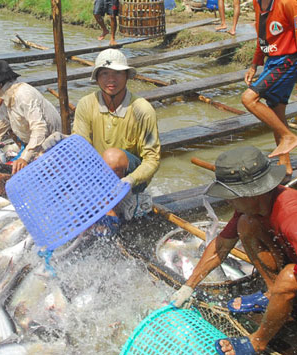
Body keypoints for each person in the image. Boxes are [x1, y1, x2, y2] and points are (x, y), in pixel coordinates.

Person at [171, 146, 297, 355]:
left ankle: (258, 342)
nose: (227, 201)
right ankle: (272, 293)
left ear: (253, 193)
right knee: (246, 224)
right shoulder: (251, 207)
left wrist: (287, 286)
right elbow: (221, 246)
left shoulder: (291, 216)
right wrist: (188, 286)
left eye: (231, 195)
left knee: (288, 277)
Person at [43, 48, 160, 230]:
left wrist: (132, 180)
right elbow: (80, 145)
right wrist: (63, 142)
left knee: (112, 156)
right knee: (55, 158)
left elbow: (152, 159)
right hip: (99, 175)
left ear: (127, 76)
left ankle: (110, 212)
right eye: (104, 73)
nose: (111, 79)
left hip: (129, 179)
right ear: (97, 78)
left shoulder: (142, 110)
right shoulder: (87, 104)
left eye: (117, 73)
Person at [0, 60, 62, 195]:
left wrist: (24, 158)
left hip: (50, 147)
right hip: (34, 146)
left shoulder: (24, 95)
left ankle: (1, 206)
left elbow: (40, 129)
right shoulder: (8, 101)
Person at [241, 0, 297, 183]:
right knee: (275, 112)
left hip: (288, 60)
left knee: (249, 98)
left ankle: (288, 137)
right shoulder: (258, 4)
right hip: (271, 61)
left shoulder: (288, 3)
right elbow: (262, 38)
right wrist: (254, 65)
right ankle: (285, 166)